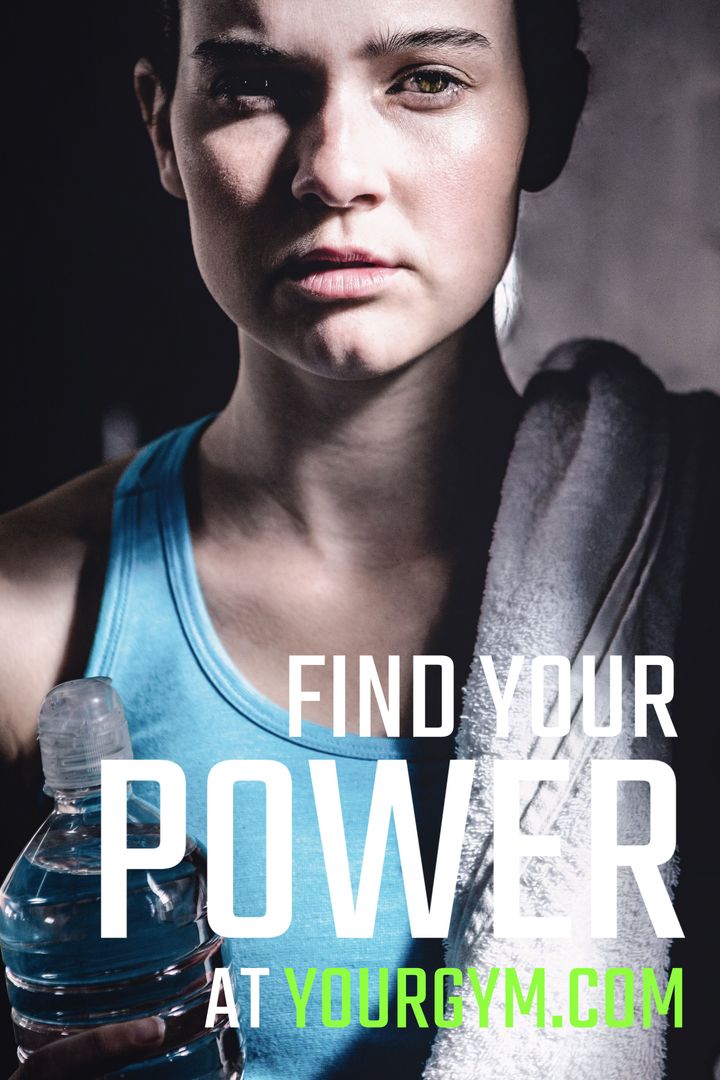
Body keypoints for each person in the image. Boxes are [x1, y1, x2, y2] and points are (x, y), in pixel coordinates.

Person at [0, 0, 716, 1077]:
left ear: (550, 116)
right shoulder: (31, 622)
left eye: (425, 79)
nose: (335, 171)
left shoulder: (688, 552)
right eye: (252, 86)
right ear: (164, 130)